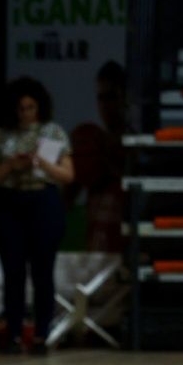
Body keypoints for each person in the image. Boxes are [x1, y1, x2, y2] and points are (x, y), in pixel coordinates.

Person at [0, 76, 75, 355]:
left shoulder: (53, 132)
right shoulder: (2, 135)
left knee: (42, 270)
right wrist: (12, 164)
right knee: (13, 271)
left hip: (42, 200)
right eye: (21, 108)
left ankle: (41, 334)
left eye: (30, 107)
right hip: (11, 202)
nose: (25, 113)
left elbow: (68, 174)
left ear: (39, 107)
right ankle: (13, 333)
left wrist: (41, 163)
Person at [69, 60, 129, 255]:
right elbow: (65, 199)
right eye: (101, 98)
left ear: (125, 98)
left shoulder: (136, 148)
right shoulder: (90, 142)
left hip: (126, 251)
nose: (105, 105)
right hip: (96, 250)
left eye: (111, 97)